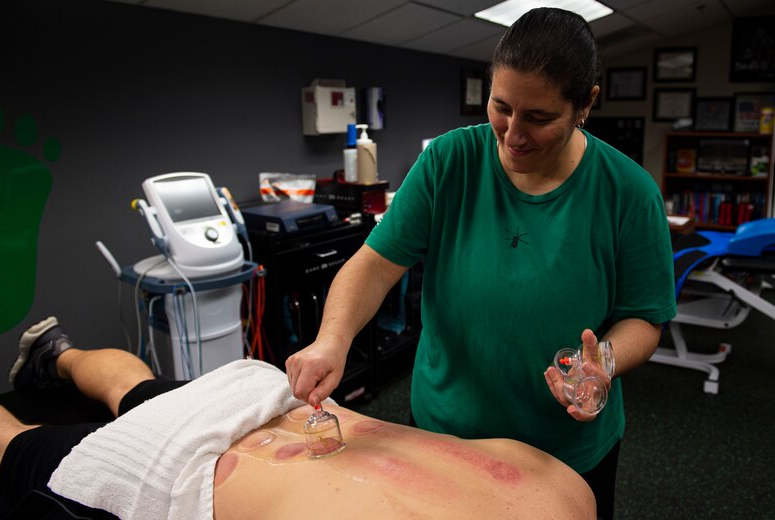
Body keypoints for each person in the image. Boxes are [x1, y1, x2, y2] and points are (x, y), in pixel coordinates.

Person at [285, 7, 677, 519]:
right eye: (501, 107)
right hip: (444, 434)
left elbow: (645, 319)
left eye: (538, 118)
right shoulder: (449, 161)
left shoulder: (628, 193)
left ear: (585, 106)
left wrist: (600, 363)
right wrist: (332, 339)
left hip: (563, 450)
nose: (513, 134)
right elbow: (376, 264)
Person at [0, 317, 597, 520]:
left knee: (143, 387)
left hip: (262, 396)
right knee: (19, 447)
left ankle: (57, 351)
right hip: (176, 464)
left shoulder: (569, 493)